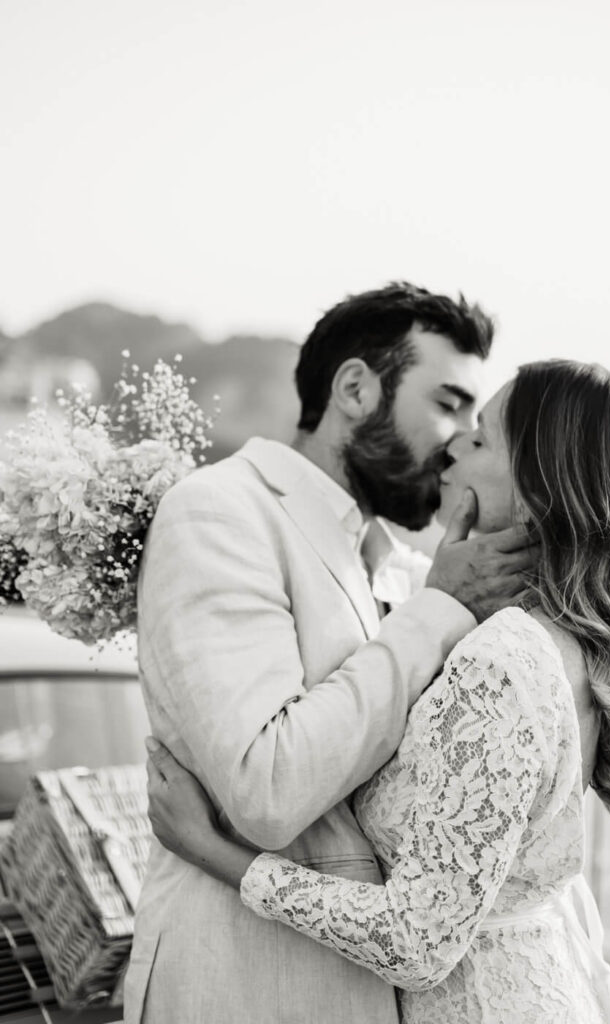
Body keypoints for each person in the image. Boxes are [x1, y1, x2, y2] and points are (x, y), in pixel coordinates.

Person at [146, 360, 610, 1024]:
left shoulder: (506, 657)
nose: (454, 445)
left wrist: (212, 850)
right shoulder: (570, 642)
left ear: (541, 488)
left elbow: (416, 942)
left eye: (481, 439)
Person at [124, 283, 536, 1024]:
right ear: (354, 388)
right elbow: (268, 789)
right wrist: (439, 609)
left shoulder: (398, 562)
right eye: (447, 404)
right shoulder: (222, 511)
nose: (458, 439)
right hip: (245, 984)